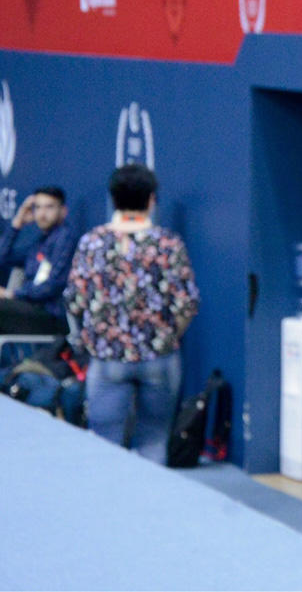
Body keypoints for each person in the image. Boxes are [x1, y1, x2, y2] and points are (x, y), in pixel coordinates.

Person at [65, 164, 199, 464]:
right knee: (153, 441)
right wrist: (165, 336)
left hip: (107, 356)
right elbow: (186, 304)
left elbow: (74, 300)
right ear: (152, 200)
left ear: (112, 199)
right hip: (159, 357)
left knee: (104, 443)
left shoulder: (93, 242)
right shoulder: (167, 243)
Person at [0, 186, 77, 337]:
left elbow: (53, 285)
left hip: (51, 317)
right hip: (29, 309)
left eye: (49, 207)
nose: (42, 213)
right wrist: (17, 223)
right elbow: (2, 257)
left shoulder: (65, 238)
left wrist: (11, 293)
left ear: (63, 211)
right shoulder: (39, 243)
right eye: (38, 207)